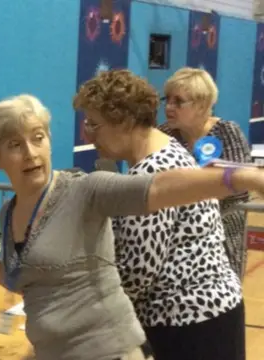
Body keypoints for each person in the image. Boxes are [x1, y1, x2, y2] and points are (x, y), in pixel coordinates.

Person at [0, 93, 264, 360]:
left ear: (49, 142)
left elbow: (158, 187)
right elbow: (21, 280)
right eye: (14, 145)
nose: (30, 153)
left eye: (38, 138)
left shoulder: (85, 191)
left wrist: (238, 176)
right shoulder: (11, 213)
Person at [73, 69, 245, 360]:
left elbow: (137, 273)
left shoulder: (152, 170)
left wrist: (77, 307)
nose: (88, 136)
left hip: (190, 324)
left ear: (124, 122)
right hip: (207, 315)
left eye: (94, 124)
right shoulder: (167, 149)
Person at [158, 67, 252, 279]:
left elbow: (238, 188)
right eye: (168, 100)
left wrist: (183, 191)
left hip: (223, 233)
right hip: (174, 236)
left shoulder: (227, 131)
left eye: (178, 101)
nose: (169, 107)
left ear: (202, 104)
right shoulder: (164, 134)